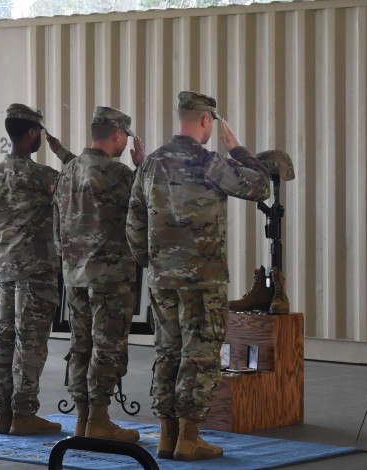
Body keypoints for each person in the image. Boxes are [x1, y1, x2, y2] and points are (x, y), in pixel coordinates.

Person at [126, 91, 271, 461]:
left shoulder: (152, 163)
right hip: (203, 280)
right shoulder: (210, 163)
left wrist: (150, 261)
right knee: (201, 354)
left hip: (161, 279)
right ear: (206, 121)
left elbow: (134, 219)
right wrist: (238, 150)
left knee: (168, 352)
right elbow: (260, 186)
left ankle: (166, 435)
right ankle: (189, 437)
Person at [52, 106, 144, 442]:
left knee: (81, 346)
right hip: (110, 276)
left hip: (74, 274)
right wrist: (141, 166)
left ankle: (82, 419)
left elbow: (56, 225)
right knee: (108, 346)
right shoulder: (118, 174)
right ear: (118, 134)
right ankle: (100, 419)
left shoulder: (69, 171)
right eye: (125, 137)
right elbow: (146, 207)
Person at [0, 103, 62, 436]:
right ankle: (24, 413)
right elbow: (83, 183)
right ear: (31, 134)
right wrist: (64, 152)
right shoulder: (44, 177)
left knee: (4, 339)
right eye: (40, 132)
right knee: (30, 343)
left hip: (3, 272)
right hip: (35, 272)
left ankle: (3, 413)